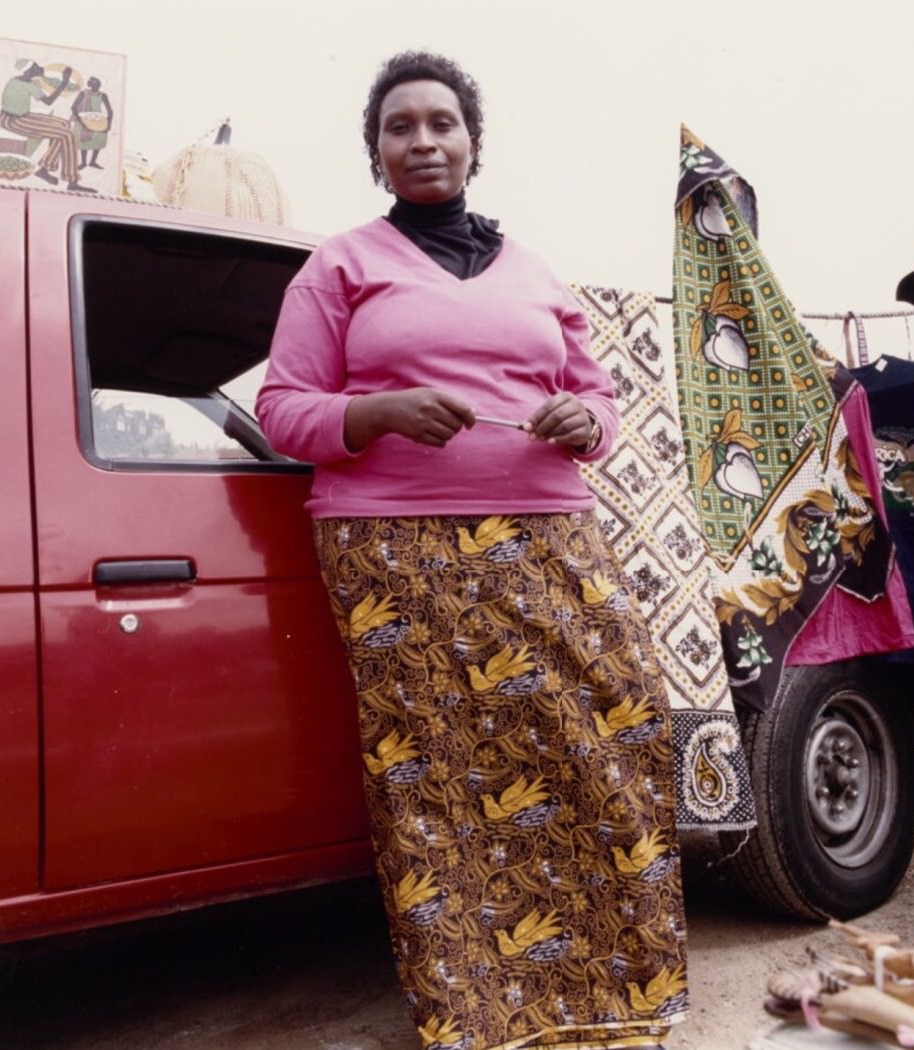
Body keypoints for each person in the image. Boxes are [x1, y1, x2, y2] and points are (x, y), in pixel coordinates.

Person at [256, 51, 688, 1050]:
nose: (422, 141)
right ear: (375, 153)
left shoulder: (534, 269)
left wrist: (584, 422)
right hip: (394, 550)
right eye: (399, 127)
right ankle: (481, 1018)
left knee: (610, 740)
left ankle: (613, 998)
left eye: (440, 123)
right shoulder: (342, 265)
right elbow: (282, 407)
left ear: (472, 141)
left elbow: (600, 398)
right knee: (442, 775)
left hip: (549, 529)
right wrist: (375, 412)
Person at [0, 60, 94, 193]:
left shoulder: (25, 81)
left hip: (21, 116)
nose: (40, 67)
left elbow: (45, 83)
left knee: (64, 124)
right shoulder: (23, 84)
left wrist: (56, 80)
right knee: (66, 134)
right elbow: (48, 101)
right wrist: (64, 82)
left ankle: (45, 168)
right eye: (36, 67)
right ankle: (72, 181)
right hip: (13, 121)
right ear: (29, 71)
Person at [71, 76, 113, 170]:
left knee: (99, 138)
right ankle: (83, 163)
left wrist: (108, 124)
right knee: (84, 141)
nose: (96, 87)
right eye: (94, 85)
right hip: (84, 119)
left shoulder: (102, 95)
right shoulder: (83, 93)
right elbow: (73, 107)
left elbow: (110, 110)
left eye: (98, 85)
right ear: (90, 85)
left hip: (97, 119)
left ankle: (93, 161)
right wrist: (81, 121)